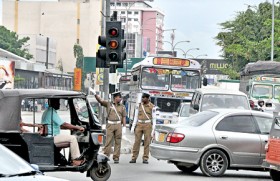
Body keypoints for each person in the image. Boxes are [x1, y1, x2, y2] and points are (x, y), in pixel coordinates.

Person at [41, 98, 85, 166]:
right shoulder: (51, 112)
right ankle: (75, 160)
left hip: (49, 136)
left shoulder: (47, 111)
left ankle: (63, 160)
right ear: (53, 103)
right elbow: (63, 124)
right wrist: (77, 127)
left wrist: (71, 128)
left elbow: (59, 126)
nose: (59, 104)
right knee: (72, 138)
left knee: (69, 138)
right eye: (57, 102)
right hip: (51, 138)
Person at [92, 90, 126, 164]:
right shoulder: (108, 104)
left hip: (118, 125)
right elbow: (100, 101)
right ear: (115, 98)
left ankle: (116, 157)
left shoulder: (122, 106)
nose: (120, 99)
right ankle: (106, 156)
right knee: (108, 141)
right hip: (110, 124)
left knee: (118, 141)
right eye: (119, 97)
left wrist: (124, 126)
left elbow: (123, 117)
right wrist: (95, 94)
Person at [129, 93, 156, 164]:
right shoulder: (139, 105)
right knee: (137, 142)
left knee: (147, 142)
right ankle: (134, 157)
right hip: (139, 124)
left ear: (147, 98)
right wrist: (133, 126)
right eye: (142, 97)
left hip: (148, 124)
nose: (142, 99)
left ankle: (145, 158)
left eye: (144, 98)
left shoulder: (152, 107)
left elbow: (154, 118)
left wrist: (153, 129)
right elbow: (135, 116)